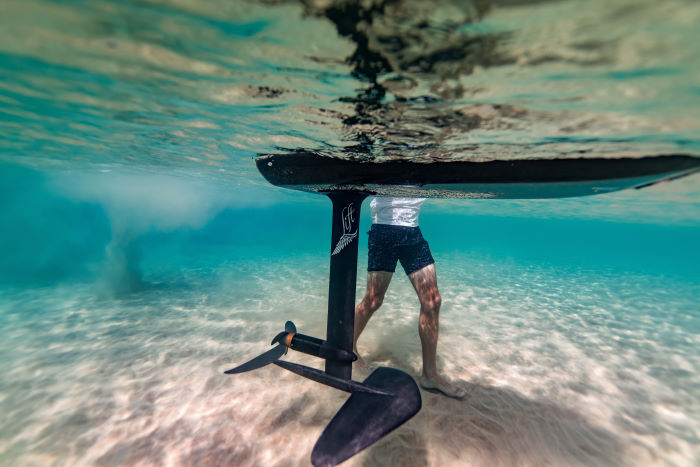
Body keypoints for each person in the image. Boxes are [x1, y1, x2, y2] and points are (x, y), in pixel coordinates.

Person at [353, 196, 466, 398]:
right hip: (384, 231)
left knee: (432, 301)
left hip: (412, 232)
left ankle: (430, 374)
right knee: (373, 300)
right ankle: (349, 347)